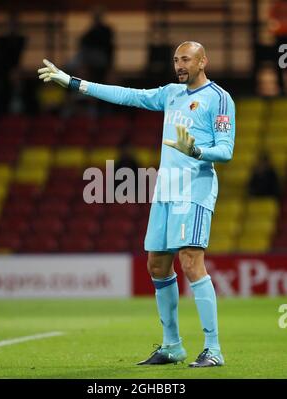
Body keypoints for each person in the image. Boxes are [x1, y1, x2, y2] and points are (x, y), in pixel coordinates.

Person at [37, 41, 235, 368]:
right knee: (157, 265)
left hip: (194, 190)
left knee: (189, 261)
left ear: (203, 61)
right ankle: (172, 346)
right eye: (176, 60)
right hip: (165, 190)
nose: (179, 65)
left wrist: (198, 152)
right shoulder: (171, 93)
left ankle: (213, 348)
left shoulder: (219, 98)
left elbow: (226, 151)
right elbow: (128, 95)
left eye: (186, 59)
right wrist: (74, 82)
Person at [269, 0, 287, 94]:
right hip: (281, 38)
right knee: (281, 63)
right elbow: (272, 21)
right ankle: (281, 87)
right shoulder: (277, 5)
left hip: (282, 36)